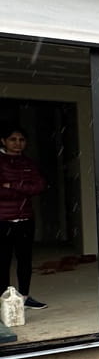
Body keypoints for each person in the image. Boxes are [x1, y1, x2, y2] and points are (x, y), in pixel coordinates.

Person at [0, 125, 47, 310]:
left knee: (25, 260)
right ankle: (4, 300)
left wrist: (11, 185)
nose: (17, 143)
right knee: (3, 261)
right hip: (3, 220)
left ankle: (25, 297)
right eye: (13, 139)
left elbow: (39, 186)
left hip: (25, 218)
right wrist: (23, 188)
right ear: (3, 141)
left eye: (21, 140)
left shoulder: (28, 163)